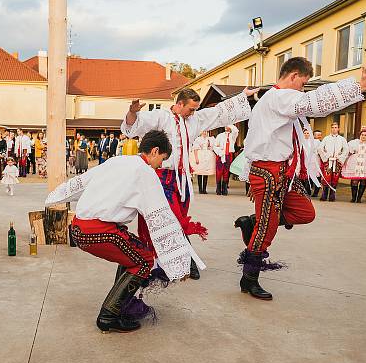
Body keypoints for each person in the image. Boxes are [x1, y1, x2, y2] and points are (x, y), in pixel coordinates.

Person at [238, 57, 366, 300]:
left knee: (305, 212)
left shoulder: (280, 99)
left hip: (284, 171)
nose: (302, 88)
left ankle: (254, 222)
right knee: (267, 228)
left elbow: (311, 104)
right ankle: (249, 278)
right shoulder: (279, 97)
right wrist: (357, 86)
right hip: (268, 170)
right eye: (303, 82)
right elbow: (315, 103)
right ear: (293, 76)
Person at [45, 130, 203, 333]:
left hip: (78, 228)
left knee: (133, 253)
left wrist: (55, 196)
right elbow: (162, 219)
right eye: (162, 160)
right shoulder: (145, 173)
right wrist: (179, 264)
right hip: (99, 232)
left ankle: (119, 307)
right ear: (155, 151)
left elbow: (81, 182)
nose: (160, 166)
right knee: (144, 260)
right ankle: (108, 316)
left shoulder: (116, 161)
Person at [122, 86, 255, 280]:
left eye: (195, 109)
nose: (194, 112)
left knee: (180, 218)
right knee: (168, 219)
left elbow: (218, 112)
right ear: (179, 104)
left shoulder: (195, 120)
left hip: (182, 179)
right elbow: (135, 125)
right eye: (191, 108)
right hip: (161, 177)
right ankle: (182, 261)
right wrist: (133, 112)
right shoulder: (161, 117)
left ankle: (180, 259)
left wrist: (242, 96)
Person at [317, 122, 348, 202]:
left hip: (337, 162)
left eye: (336, 127)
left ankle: (332, 195)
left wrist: (339, 157)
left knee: (335, 178)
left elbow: (346, 150)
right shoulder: (326, 138)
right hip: (328, 161)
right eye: (333, 127)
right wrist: (326, 156)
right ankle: (324, 194)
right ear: (331, 128)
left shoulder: (342, 139)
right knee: (326, 178)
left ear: (338, 129)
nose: (334, 129)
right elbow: (320, 148)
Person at [341, 128, 366, 203]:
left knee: (363, 181)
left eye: (365, 135)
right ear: (360, 135)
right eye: (362, 135)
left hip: (365, 163)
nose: (363, 136)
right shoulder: (354, 143)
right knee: (354, 180)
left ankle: (359, 198)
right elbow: (348, 151)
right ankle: (353, 197)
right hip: (355, 162)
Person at [213, 125, 239, 196]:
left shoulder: (232, 136)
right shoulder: (220, 136)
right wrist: (219, 152)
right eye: (225, 126)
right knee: (219, 171)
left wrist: (229, 124)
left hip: (229, 155)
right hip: (221, 155)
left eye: (228, 127)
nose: (226, 128)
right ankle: (218, 188)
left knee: (226, 172)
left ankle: (224, 188)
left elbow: (236, 131)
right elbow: (215, 146)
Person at [309, 129, 324, 197]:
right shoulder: (310, 141)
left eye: (320, 135)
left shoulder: (322, 142)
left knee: (317, 175)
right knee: (311, 175)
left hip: (317, 160)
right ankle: (310, 190)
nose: (319, 136)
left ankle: (315, 192)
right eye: (317, 135)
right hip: (311, 159)